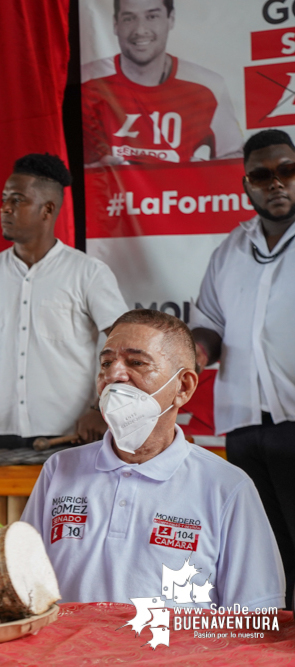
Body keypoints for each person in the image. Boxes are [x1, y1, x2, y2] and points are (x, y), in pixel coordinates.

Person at [21, 310, 285, 609]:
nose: (114, 375)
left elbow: (256, 614)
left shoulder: (227, 487)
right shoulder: (59, 469)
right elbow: (25, 584)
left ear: (183, 387)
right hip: (67, 656)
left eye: (136, 362)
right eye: (106, 363)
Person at [0, 154, 127, 451]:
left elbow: (123, 346)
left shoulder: (88, 273)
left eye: (17, 200)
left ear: (47, 210)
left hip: (70, 434)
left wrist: (100, 410)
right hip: (2, 433)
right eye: (4, 199)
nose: (5, 207)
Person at [191, 129, 295, 609]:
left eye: (287, 171)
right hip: (244, 423)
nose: (276, 184)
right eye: (261, 175)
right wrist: (194, 351)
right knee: (268, 548)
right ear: (246, 184)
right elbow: (209, 323)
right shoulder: (230, 249)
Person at [81, 0, 242, 166]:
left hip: (180, 192)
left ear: (170, 19)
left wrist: (202, 173)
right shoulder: (85, 82)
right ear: (115, 24)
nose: (140, 30)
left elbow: (235, 157)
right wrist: (91, 174)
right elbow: (61, 156)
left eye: (152, 16)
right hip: (110, 192)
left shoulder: (209, 85)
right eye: (129, 18)